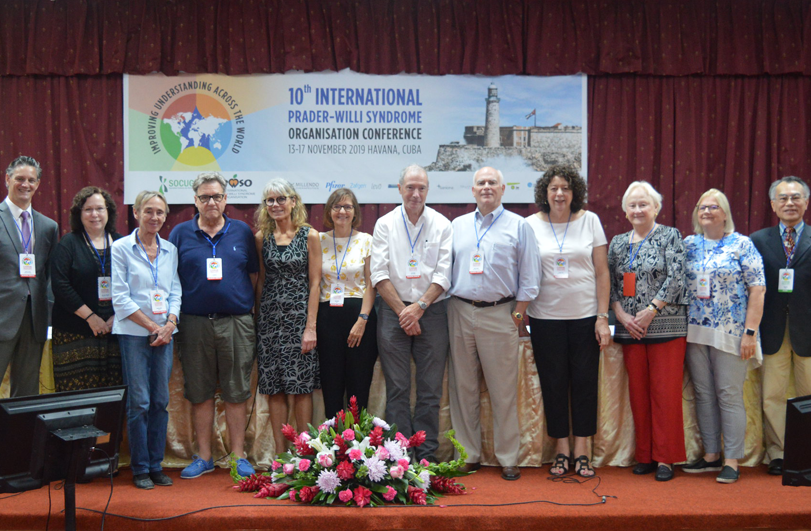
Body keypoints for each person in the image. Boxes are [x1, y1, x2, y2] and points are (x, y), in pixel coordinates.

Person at [447, 166, 540, 481]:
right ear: (472, 191)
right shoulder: (457, 226)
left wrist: (517, 314)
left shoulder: (519, 225)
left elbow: (530, 276)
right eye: (480, 183)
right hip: (458, 310)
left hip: (501, 313)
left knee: (502, 391)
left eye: (492, 183)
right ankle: (468, 454)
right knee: (463, 388)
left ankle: (507, 457)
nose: (486, 187)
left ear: (503, 189)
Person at [169, 172, 258, 479]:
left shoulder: (242, 232)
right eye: (204, 197)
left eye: (216, 196)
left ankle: (238, 457)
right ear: (194, 200)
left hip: (236, 323)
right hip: (194, 324)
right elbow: (170, 278)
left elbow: (254, 276)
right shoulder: (180, 234)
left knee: (236, 391)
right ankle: (204, 457)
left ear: (225, 200)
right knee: (200, 391)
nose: (211, 202)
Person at [526, 165, 610, 478]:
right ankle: (561, 450)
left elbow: (602, 272)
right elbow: (523, 272)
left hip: (585, 317)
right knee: (554, 384)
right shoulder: (530, 224)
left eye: (565, 188)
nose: (559, 194)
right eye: (553, 188)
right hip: (544, 318)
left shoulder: (590, 221)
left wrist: (602, 317)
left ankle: (583, 450)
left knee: (585, 384)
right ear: (544, 194)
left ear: (574, 192)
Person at [370, 164, 453, 462]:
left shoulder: (443, 224)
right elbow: (378, 274)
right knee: (398, 389)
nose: (416, 194)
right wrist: (403, 311)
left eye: (422, 188)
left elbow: (444, 275)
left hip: (432, 311)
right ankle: (399, 458)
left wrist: (418, 308)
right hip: (394, 311)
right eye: (410, 187)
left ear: (428, 190)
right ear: (400, 188)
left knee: (430, 391)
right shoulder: (385, 224)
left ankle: (427, 456)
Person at [682, 189, 765, 484]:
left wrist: (750, 333)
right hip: (694, 331)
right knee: (703, 395)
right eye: (702, 207)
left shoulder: (741, 244)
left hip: (731, 332)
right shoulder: (689, 244)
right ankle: (711, 456)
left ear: (725, 213)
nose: (706, 211)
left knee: (728, 395)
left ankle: (732, 460)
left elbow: (758, 288)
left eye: (713, 207)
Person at [607, 181, 687, 481]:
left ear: (656, 207)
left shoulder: (670, 236)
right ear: (625, 211)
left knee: (665, 394)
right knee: (638, 395)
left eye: (644, 204)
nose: (638, 210)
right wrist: (620, 314)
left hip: (666, 326)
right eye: (632, 205)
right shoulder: (617, 242)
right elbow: (611, 284)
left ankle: (666, 458)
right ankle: (645, 455)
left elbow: (677, 276)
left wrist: (652, 309)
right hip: (630, 328)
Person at [111, 190, 181, 490]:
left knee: (161, 401)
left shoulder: (169, 250)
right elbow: (120, 298)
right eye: (148, 211)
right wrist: (154, 326)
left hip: (165, 336)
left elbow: (175, 291)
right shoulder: (121, 248)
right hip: (134, 334)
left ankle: (156, 465)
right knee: (139, 402)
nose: (155, 217)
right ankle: (139, 468)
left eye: (160, 212)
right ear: (136, 213)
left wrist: (170, 324)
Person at [255, 179, 321, 454]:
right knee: (275, 388)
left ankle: (304, 456)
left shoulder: (310, 235)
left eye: (281, 199)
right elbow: (261, 280)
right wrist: (258, 321)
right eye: (270, 200)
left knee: (301, 387)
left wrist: (311, 328)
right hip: (270, 321)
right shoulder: (261, 238)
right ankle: (281, 457)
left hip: (299, 321)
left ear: (293, 201)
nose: (275, 205)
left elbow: (316, 283)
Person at [750, 176, 811, 476]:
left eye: (796, 197)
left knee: (809, 394)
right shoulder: (757, 240)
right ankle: (779, 453)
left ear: (806, 203)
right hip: (771, 329)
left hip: (809, 330)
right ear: (773, 205)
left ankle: (807, 454)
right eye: (783, 198)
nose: (790, 203)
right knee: (772, 395)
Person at [51, 187, 123, 392]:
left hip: (114, 332)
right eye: (88, 209)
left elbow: (133, 284)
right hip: (74, 333)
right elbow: (60, 286)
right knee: (76, 398)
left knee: (112, 398)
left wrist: (116, 317)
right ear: (79, 214)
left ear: (108, 212)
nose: (94, 214)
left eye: (100, 208)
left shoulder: (122, 244)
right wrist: (91, 317)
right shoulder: (68, 243)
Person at [0, 156, 59, 397]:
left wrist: (48, 315)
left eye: (31, 180)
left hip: (34, 320)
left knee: (26, 394)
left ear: (38, 184)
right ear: (7, 180)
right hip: (2, 316)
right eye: (20, 179)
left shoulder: (48, 226)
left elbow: (48, 276)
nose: (25, 185)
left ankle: (19, 437)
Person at [317, 188, 377, 419]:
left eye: (348, 207)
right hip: (327, 318)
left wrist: (363, 319)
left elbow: (372, 284)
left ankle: (358, 445)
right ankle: (332, 444)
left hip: (359, 317)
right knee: (331, 382)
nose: (342, 211)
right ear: (329, 211)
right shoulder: (318, 240)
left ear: (355, 212)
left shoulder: (366, 240)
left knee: (358, 381)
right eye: (337, 206)